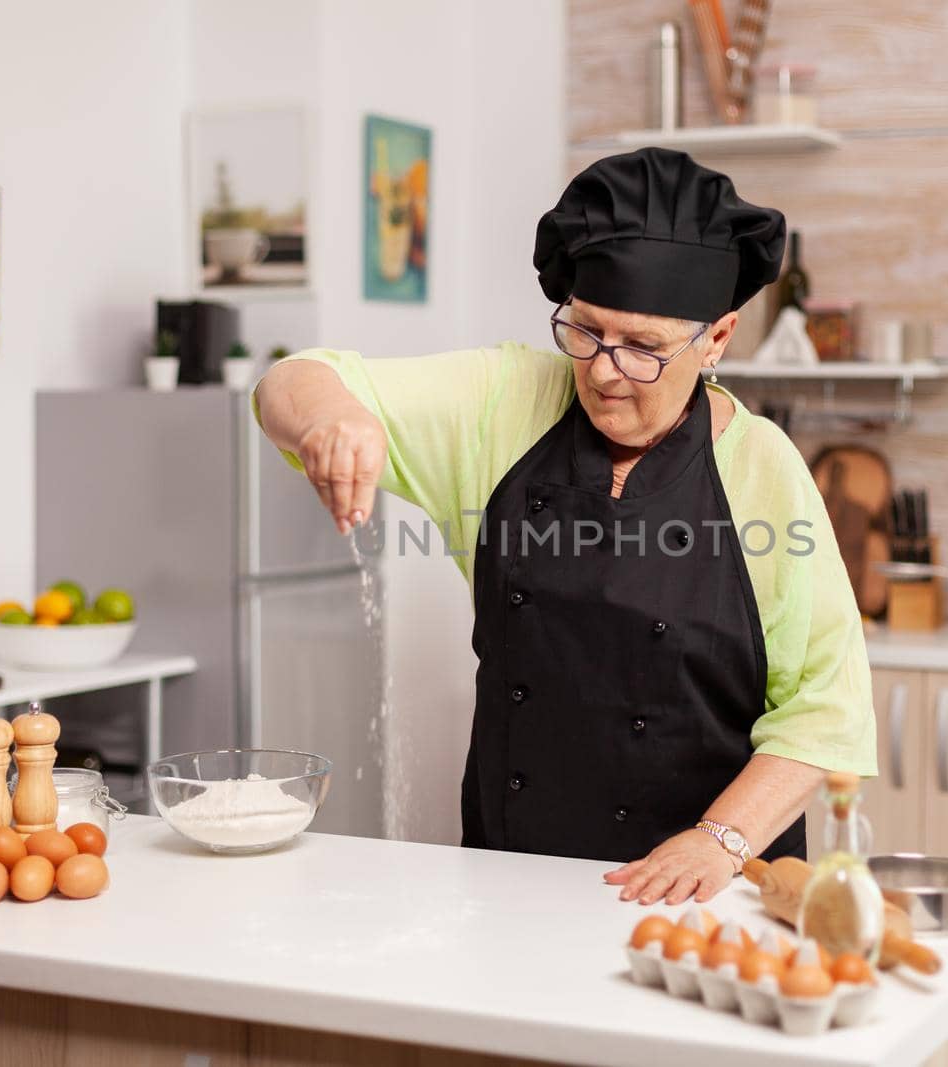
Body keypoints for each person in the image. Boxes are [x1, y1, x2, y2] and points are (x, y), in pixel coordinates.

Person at [254, 147, 875, 906]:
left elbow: (827, 707)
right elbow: (291, 379)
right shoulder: (505, 402)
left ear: (717, 339)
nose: (606, 370)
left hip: (708, 891)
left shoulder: (765, 470)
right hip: (512, 879)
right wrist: (332, 417)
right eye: (586, 332)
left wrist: (720, 840)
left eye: (644, 347)